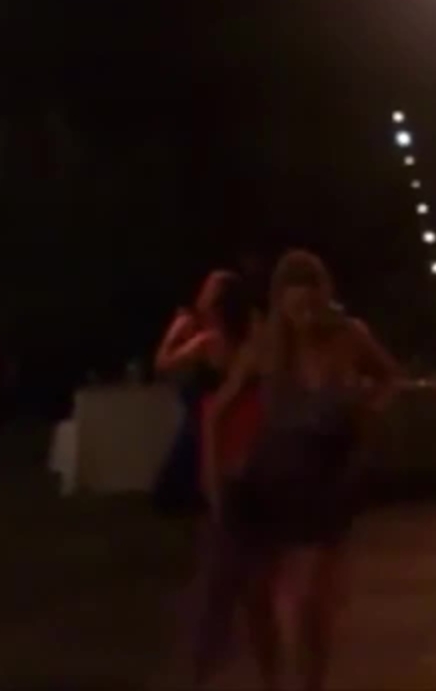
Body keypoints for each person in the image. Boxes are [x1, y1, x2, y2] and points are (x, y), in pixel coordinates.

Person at [206, 250, 399, 691]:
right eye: (295, 307)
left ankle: (311, 684)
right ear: (280, 303)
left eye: (312, 303)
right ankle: (272, 681)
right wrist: (215, 484)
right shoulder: (266, 346)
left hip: (323, 476)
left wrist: (369, 409)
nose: (305, 316)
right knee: (257, 597)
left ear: (324, 296)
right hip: (269, 475)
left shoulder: (348, 335)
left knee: (310, 600)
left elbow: (390, 377)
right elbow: (218, 413)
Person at [184, 272, 271, 688]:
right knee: (226, 587)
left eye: (210, 288)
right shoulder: (207, 341)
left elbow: (220, 411)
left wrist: (215, 475)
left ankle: (266, 677)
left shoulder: (248, 346)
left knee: (242, 587)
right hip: (224, 455)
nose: (201, 293)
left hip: (241, 457)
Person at [153, 271, 241, 514]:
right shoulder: (226, 335)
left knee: (171, 493)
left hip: (203, 423)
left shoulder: (209, 339)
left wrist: (174, 331)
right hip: (208, 420)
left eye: (208, 290)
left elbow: (162, 364)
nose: (200, 295)